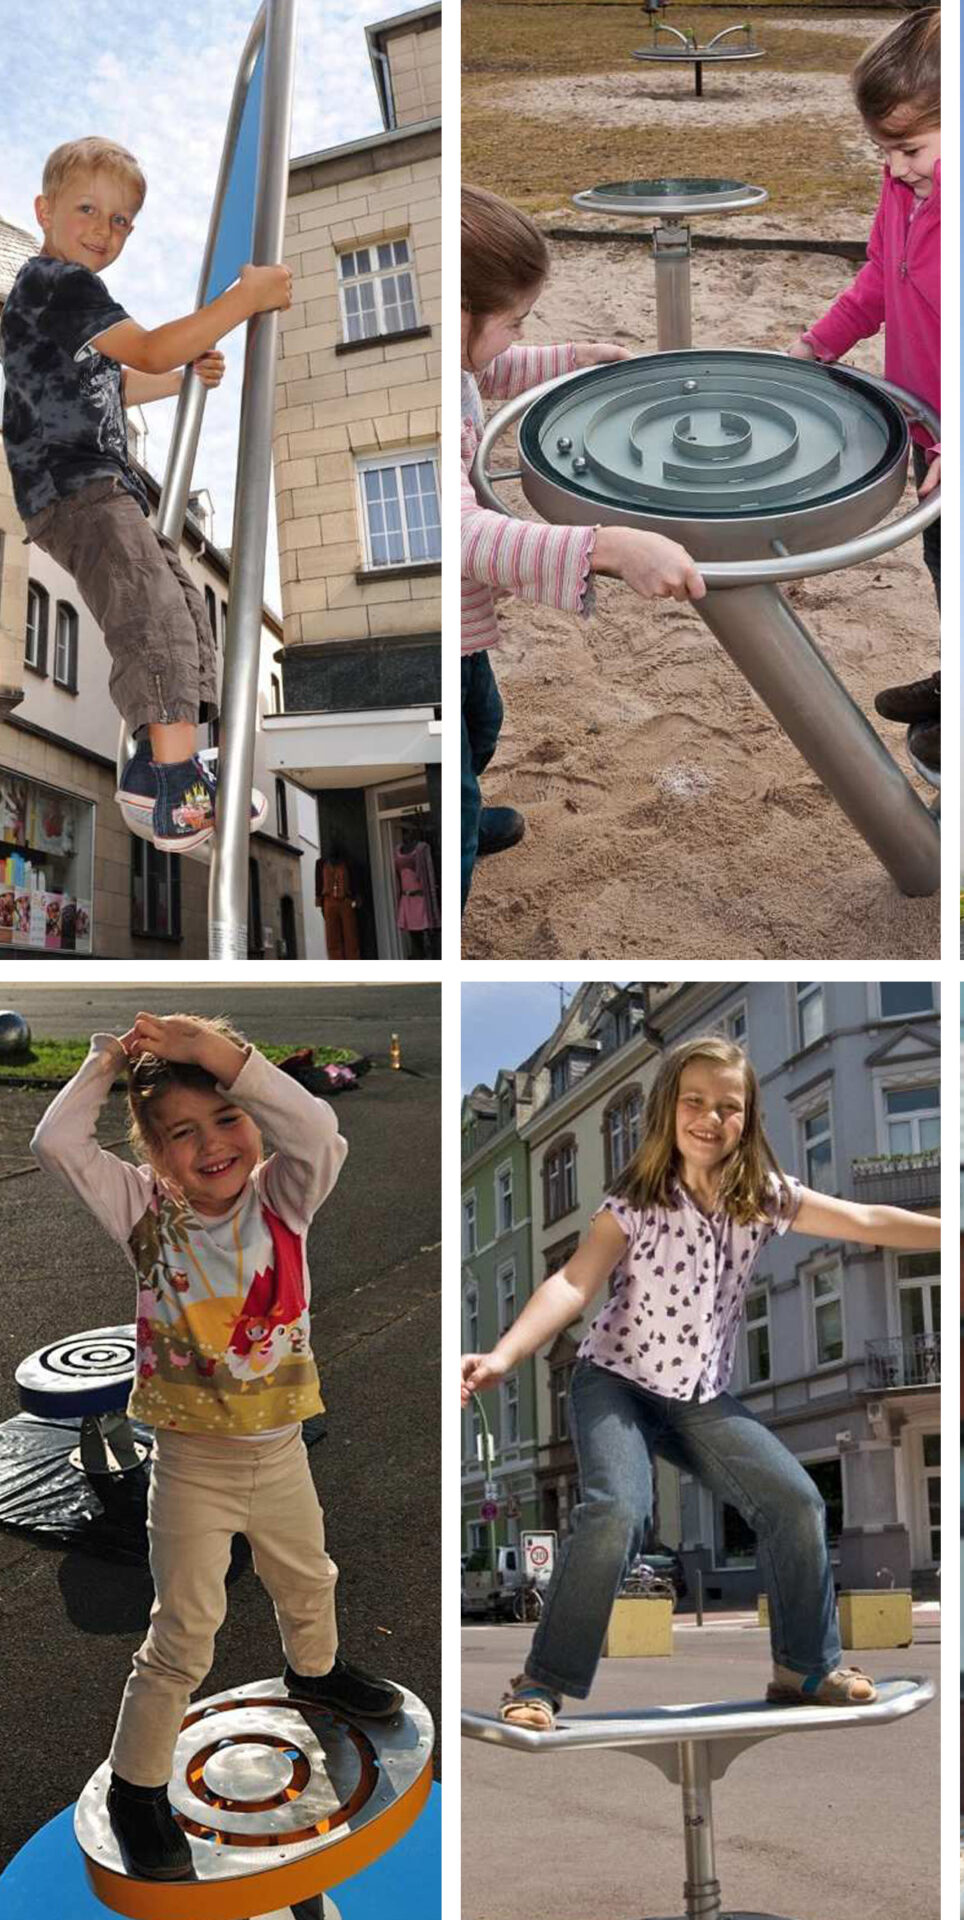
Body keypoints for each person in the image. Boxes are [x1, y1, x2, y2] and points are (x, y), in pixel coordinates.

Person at [459, 1035, 942, 1728]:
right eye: (695, 1102)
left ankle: (805, 1668)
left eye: (728, 1106)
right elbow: (572, 1284)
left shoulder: (764, 1199)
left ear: (748, 1118)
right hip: (614, 1384)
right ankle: (540, 1683)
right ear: (668, 1110)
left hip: (698, 1400)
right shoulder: (635, 1200)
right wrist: (503, 1357)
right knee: (619, 1511)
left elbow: (864, 1219)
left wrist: (949, 1229)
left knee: (796, 1503)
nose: (710, 1119)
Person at [30, 1013, 403, 1879]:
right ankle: (136, 1785)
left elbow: (316, 1123)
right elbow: (56, 1144)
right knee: (183, 1632)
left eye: (226, 1119)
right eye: (181, 1136)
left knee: (308, 1575)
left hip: (281, 1453)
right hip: (192, 1465)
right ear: (154, 1156)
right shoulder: (143, 1212)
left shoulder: (285, 1198)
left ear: (253, 1121)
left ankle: (315, 1672)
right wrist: (106, 1060)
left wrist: (224, 1056)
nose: (210, 1148)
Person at [1, 138, 289, 853]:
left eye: (122, 220)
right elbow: (153, 347)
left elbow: (124, 379)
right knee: (149, 607)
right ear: (46, 210)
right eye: (88, 210)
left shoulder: (72, 308)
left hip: (105, 486)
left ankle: (158, 762)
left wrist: (184, 376)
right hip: (72, 488)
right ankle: (175, 786)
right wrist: (240, 301)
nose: (104, 230)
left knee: (185, 601)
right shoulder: (56, 285)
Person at [459, 185, 705, 910]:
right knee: (459, 750)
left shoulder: (453, 355)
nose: (516, 335)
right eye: (514, 322)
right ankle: (457, 867)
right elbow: (468, 533)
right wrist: (608, 547)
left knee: (484, 722)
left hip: (466, 633)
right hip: (448, 631)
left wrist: (575, 359)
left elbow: (491, 370)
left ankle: (466, 809)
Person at [790, 6, 941, 769]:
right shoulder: (901, 193)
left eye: (910, 149)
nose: (895, 167)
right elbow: (882, 278)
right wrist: (820, 342)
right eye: (883, 151)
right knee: (942, 564)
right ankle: (956, 676)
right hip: (924, 429)